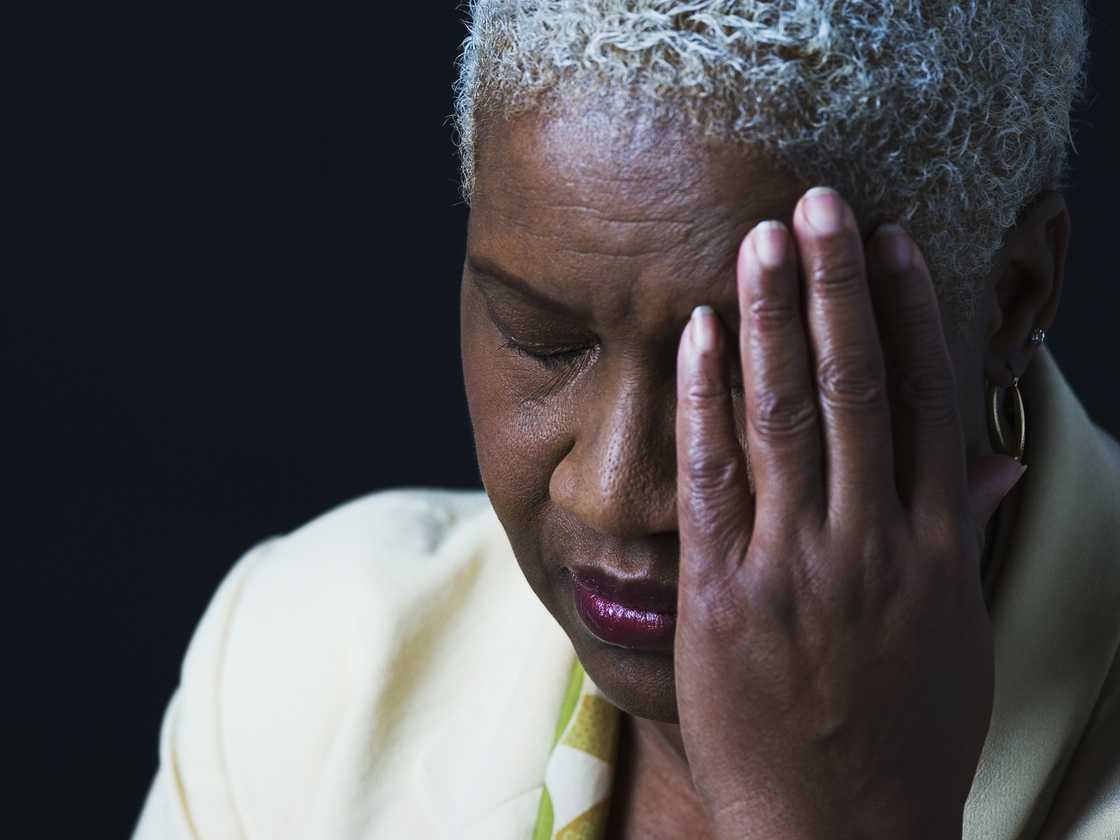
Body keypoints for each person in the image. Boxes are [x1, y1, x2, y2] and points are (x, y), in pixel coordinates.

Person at [134, 2, 1120, 838]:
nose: (609, 491)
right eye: (541, 339)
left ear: (1013, 297)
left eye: (743, 372)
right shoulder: (299, 669)